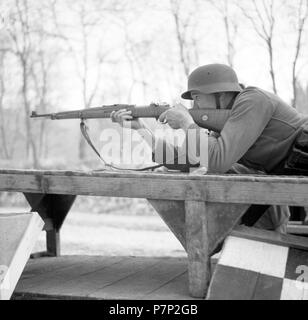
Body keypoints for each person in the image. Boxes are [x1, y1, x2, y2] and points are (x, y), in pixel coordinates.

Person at [111, 64, 308, 233]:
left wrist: (187, 123)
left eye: (197, 98)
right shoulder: (226, 124)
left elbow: (217, 162)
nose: (193, 105)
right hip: (287, 176)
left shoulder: (253, 100)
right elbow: (186, 161)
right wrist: (141, 130)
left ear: (220, 95)